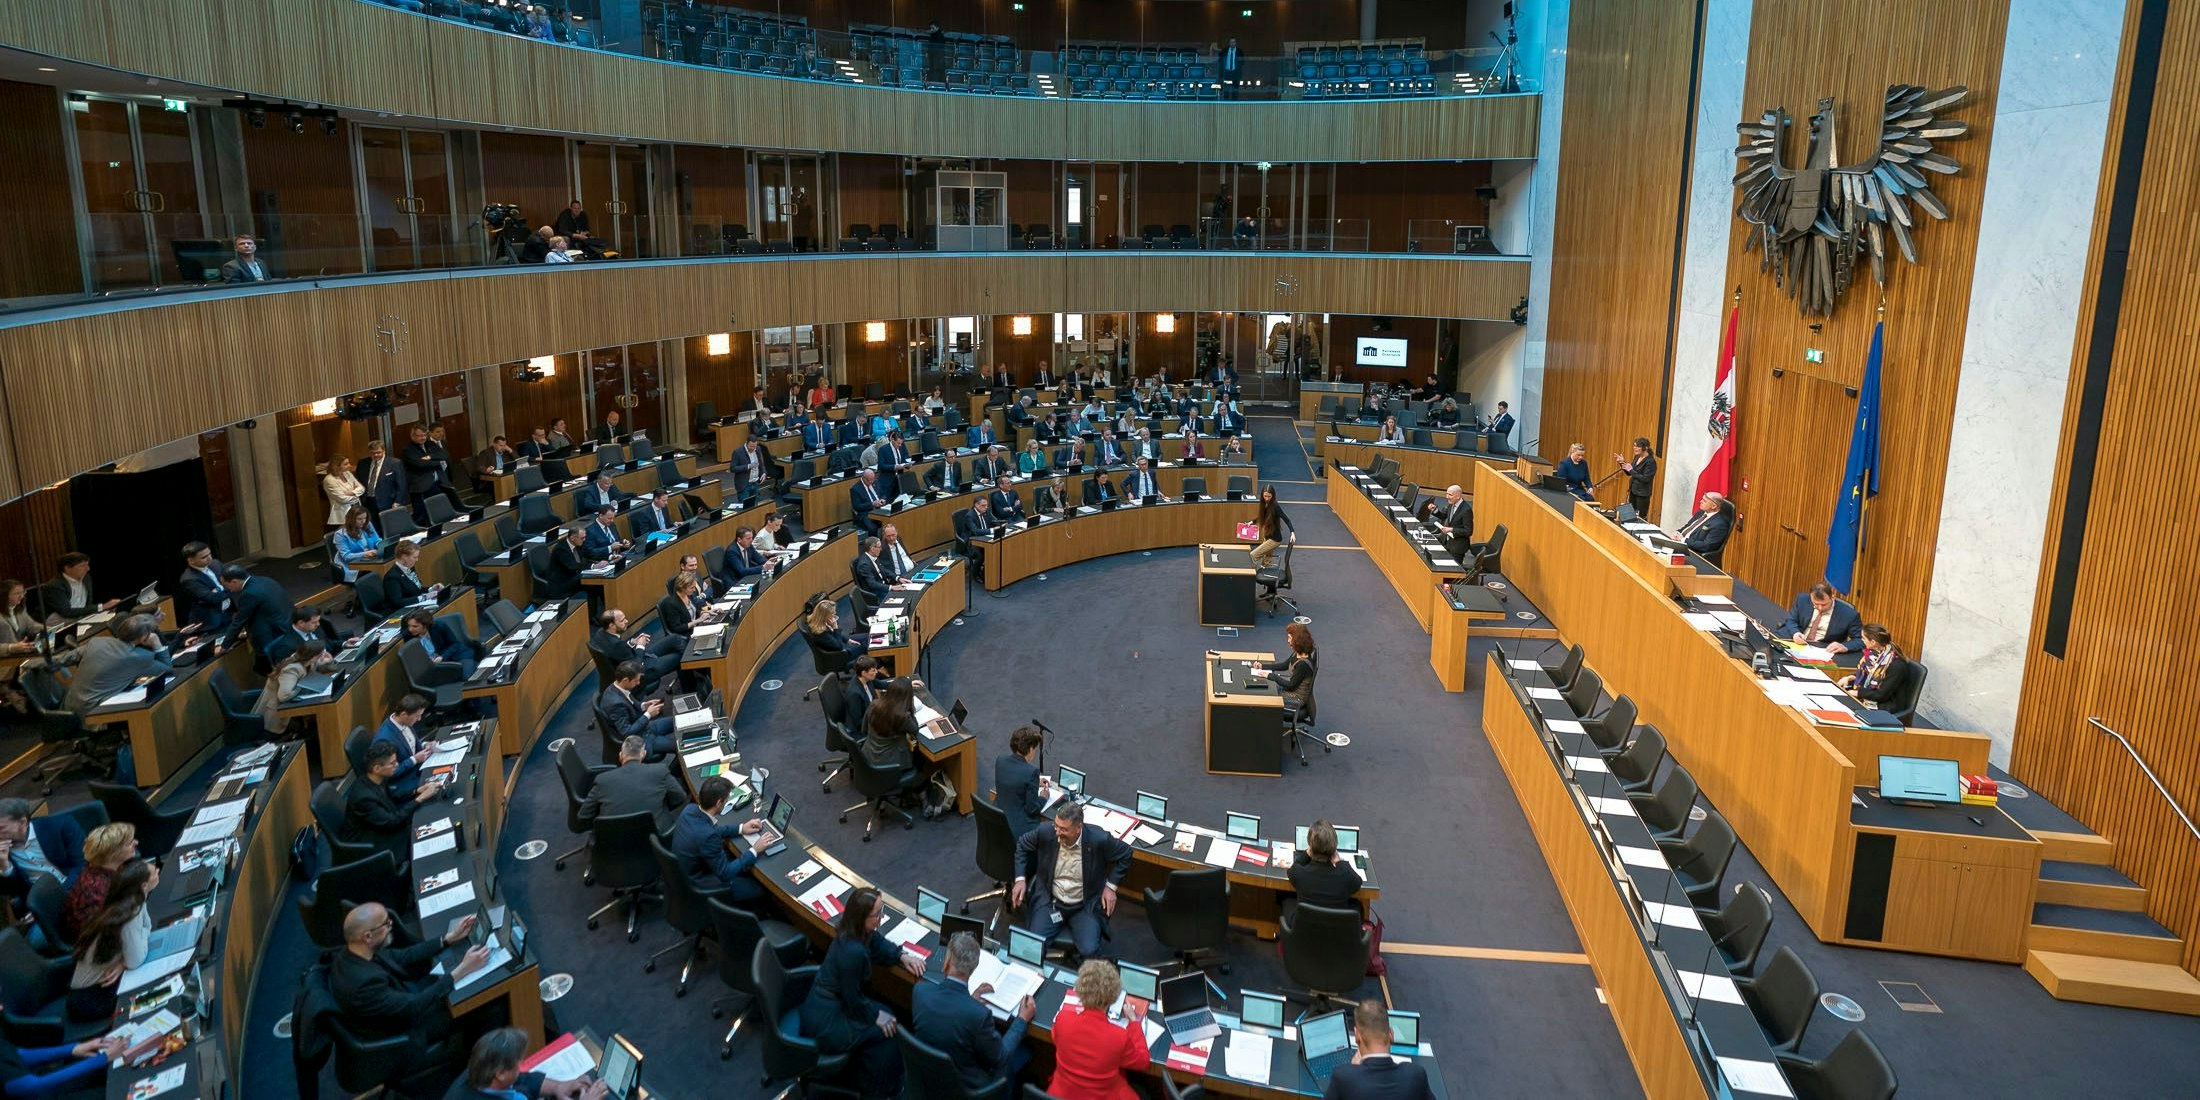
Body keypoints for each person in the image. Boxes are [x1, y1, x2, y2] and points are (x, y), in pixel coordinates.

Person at [798, 887, 924, 1099]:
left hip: (830, 1004)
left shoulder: (852, 932)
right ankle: (880, 1092)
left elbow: (875, 941)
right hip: (827, 1021)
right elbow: (853, 1000)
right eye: (878, 914)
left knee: (888, 1018)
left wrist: (901, 955)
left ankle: (872, 1079)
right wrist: (876, 1017)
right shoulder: (852, 953)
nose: (881, 917)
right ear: (862, 917)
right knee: (888, 1031)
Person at [331, 902, 491, 1061]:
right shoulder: (364, 985)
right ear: (367, 936)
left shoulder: (353, 952)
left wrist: (448, 938)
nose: (391, 925)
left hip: (400, 997)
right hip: (406, 1030)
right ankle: (480, 1064)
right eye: (386, 923)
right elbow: (413, 1006)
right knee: (482, 1004)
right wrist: (463, 969)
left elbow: (405, 955)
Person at [914, 932, 1034, 1092]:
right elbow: (1001, 1058)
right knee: (1023, 1053)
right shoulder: (978, 1015)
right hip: (966, 1090)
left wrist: (969, 1000)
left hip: (926, 1080)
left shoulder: (920, 991)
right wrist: (1021, 1020)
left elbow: (949, 1015)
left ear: (947, 962)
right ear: (974, 968)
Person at [1011, 802, 1132, 960]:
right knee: (1031, 948)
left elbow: (1126, 854)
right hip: (1051, 902)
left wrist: (1111, 887)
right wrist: (1020, 879)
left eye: (1064, 829)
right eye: (1056, 826)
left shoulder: (1099, 839)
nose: (1058, 833)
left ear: (1078, 827)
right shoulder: (1046, 831)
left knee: (1090, 951)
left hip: (1084, 906)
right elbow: (1022, 845)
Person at [65, 859, 154, 1023]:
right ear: (144, 886)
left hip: (103, 983)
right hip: (90, 997)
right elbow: (135, 960)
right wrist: (126, 961)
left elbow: (148, 927)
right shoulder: (130, 911)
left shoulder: (133, 900)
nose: (158, 873)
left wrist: (122, 962)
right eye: (155, 873)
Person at [1047, 959, 1150, 1099]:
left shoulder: (1063, 1019)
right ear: (1113, 998)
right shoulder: (1118, 1036)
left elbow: (1056, 1038)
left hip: (1062, 1093)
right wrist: (1134, 1023)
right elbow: (1142, 1061)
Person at [670, 774, 770, 904]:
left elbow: (711, 831)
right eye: (727, 798)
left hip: (686, 872)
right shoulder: (708, 837)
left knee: (740, 864)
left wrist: (741, 828)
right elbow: (725, 873)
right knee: (761, 889)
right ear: (719, 803)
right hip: (700, 885)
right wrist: (755, 850)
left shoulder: (690, 809)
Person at [444, 1026, 610, 1100]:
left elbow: (521, 1079)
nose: (520, 1066)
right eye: (517, 1064)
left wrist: (556, 1087)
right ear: (500, 1073)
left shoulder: (481, 1070)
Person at [345, 739, 444, 860]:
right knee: (422, 835)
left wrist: (417, 791)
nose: (397, 765)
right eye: (392, 763)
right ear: (377, 768)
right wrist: (420, 799)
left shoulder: (376, 778)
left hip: (383, 823)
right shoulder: (364, 798)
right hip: (372, 842)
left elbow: (393, 796)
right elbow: (392, 822)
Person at [54, 614, 171, 716]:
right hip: (92, 715)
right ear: (143, 637)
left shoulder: (97, 642)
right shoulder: (138, 657)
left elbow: (65, 658)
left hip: (70, 706)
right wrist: (157, 645)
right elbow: (167, 670)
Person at [1322, 997, 1435, 1100]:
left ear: (1357, 1036)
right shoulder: (1416, 1075)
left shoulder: (1343, 1077)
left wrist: (1353, 1070)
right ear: (1391, 1034)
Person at [581, 735, 686, 832]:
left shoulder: (602, 780)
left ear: (620, 755)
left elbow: (583, 816)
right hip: (657, 839)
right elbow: (680, 797)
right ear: (643, 754)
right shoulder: (659, 771)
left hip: (614, 844)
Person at [0, 797, 88, 906]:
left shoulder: (61, 825)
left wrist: (64, 894)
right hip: (45, 902)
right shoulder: (3, 852)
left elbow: (83, 863)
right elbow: (13, 892)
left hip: (79, 885)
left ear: (22, 822)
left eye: (1, 829)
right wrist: (5, 866)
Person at [61, 824, 136, 944]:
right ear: (114, 854)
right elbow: (112, 930)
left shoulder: (101, 866)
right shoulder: (96, 889)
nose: (136, 843)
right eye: (129, 843)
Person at [0, 1032, 125, 1099]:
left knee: (102, 1075)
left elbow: (17, 1054)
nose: (1, 1007)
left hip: (36, 1086)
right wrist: (103, 1058)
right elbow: (32, 1086)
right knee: (114, 1092)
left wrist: (73, 1049)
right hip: (35, 1089)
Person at [258, 638, 335, 736]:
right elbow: (284, 696)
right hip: (278, 715)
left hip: (291, 707)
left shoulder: (307, 659)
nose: (324, 654)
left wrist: (329, 661)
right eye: (322, 653)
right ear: (314, 656)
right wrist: (302, 685)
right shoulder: (292, 668)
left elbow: (327, 669)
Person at [597, 661, 675, 757]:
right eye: (636, 681)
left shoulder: (616, 687)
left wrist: (644, 705)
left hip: (645, 727)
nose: (638, 683)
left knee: (677, 720)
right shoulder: (615, 704)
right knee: (679, 746)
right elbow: (626, 732)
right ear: (625, 680)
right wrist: (648, 714)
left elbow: (630, 703)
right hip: (640, 738)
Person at [1290, 819, 1364, 915]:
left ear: (1310, 846)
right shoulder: (1345, 876)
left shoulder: (1299, 872)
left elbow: (1293, 868)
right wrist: (1339, 862)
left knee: (1286, 901)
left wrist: (1307, 853)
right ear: (1334, 847)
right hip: (1336, 928)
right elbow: (1357, 883)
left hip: (1305, 927)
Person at [994, 725, 1050, 841]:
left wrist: (1034, 782)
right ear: (1030, 749)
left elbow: (1012, 776)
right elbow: (1032, 809)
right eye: (1034, 749)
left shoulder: (1001, 759)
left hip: (999, 821)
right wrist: (1044, 797)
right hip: (1019, 830)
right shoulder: (1031, 772)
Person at [1839, 624, 1914, 707]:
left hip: (1885, 705)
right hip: (1870, 696)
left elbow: (1881, 695)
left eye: (1863, 638)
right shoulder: (1872, 655)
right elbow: (1867, 674)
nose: (1862, 640)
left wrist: (1857, 693)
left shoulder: (1896, 665)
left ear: (1873, 642)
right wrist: (1849, 677)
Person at [1778, 582, 1863, 653]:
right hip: (1794, 642)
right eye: (1816, 604)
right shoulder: (1802, 599)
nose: (1820, 608)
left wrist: (1844, 646)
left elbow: (1860, 639)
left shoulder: (1849, 614)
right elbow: (1791, 620)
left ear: (1832, 597)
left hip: (1822, 649)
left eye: (1824, 604)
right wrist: (1795, 633)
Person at [1255, 621, 1318, 713]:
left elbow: (1291, 685)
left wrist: (1271, 676)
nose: (1288, 641)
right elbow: (1285, 665)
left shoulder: (1302, 664)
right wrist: (1262, 666)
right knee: (1267, 688)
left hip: (1296, 699)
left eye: (1289, 638)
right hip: (1291, 691)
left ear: (1297, 640)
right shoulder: (1299, 652)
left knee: (1266, 699)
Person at [38, 553, 117, 622]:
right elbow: (66, 612)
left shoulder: (86, 578)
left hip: (81, 617)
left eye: (87, 565)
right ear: (67, 568)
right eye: (82, 566)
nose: (88, 569)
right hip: (59, 621)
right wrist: (102, 607)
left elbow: (88, 603)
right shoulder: (55, 586)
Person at [174, 542, 231, 632]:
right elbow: (212, 598)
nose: (209, 558)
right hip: (211, 622)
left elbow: (231, 580)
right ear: (191, 560)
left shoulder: (215, 563)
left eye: (209, 554)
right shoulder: (189, 579)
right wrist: (229, 588)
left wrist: (219, 589)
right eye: (204, 557)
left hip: (229, 613)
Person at [657, 572, 720, 640]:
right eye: (692, 588)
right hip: (687, 635)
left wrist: (707, 611)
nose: (694, 590)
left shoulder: (688, 595)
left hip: (696, 628)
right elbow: (676, 628)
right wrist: (697, 621)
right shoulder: (671, 604)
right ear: (682, 587)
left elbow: (695, 610)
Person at [331, 505, 385, 581]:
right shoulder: (340, 534)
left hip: (370, 559)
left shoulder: (367, 524)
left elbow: (376, 540)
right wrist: (365, 554)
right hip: (352, 565)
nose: (363, 521)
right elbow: (346, 556)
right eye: (359, 519)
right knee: (378, 574)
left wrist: (382, 546)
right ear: (351, 519)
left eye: (365, 518)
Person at [1677, 491, 1732, 560]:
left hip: (1692, 553)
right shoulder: (1701, 512)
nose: (1700, 501)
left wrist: (1683, 540)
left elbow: (1706, 546)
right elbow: (1688, 526)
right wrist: (1677, 532)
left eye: (1704, 501)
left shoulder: (1720, 524)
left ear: (1714, 506)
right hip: (1681, 544)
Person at [539, 526, 590, 600]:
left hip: (573, 577)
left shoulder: (578, 544)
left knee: (596, 587)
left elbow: (589, 554)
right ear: (572, 538)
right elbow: (572, 566)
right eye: (582, 538)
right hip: (562, 584)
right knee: (591, 586)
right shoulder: (561, 549)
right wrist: (592, 566)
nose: (584, 540)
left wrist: (609, 557)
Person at [1251, 484, 1295, 569]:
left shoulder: (1275, 506)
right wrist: (1252, 522)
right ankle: (1266, 573)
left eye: (1269, 496)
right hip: (1267, 536)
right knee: (1265, 563)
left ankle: (1250, 577)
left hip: (1274, 540)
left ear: (1273, 495)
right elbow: (1262, 515)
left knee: (1253, 555)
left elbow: (1287, 519)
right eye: (1265, 496)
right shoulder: (1264, 503)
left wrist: (1292, 532)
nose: (1267, 498)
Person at [1614, 437, 1659, 516]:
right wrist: (1622, 463)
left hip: (1642, 494)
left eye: (1637, 446)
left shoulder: (1651, 462)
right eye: (1634, 445)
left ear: (1645, 448)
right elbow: (1630, 473)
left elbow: (1646, 479)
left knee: (1640, 517)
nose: (1634, 448)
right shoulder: (1637, 457)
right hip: (1633, 491)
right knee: (1631, 515)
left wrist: (1631, 470)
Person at [362, 439, 406, 515]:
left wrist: (398, 501)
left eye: (378, 452)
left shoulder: (394, 463)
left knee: (388, 525)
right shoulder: (363, 464)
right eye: (373, 453)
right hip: (368, 502)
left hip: (388, 502)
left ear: (383, 450)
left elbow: (401, 484)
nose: (375, 455)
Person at [323, 454, 367, 528]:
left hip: (357, 509)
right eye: (346, 464)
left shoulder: (347, 473)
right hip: (343, 514)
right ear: (337, 466)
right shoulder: (329, 479)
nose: (349, 465)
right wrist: (357, 494)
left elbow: (362, 488)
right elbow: (343, 499)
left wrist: (352, 493)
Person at [849, 468, 888, 536]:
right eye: (870, 480)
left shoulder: (875, 482)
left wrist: (883, 499)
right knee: (872, 528)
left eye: (873, 479)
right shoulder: (855, 489)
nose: (872, 482)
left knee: (890, 520)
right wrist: (872, 504)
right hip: (865, 513)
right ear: (864, 478)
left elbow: (883, 494)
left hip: (880, 509)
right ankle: (874, 544)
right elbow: (857, 506)